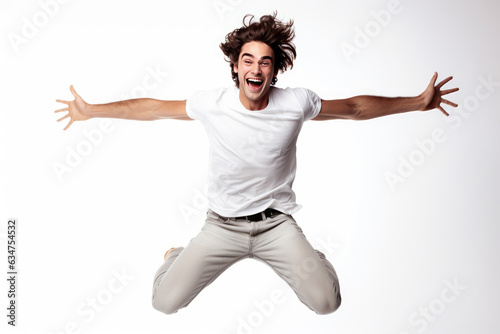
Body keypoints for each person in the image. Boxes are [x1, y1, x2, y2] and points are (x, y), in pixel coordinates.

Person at [54, 13, 458, 315]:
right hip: (222, 226)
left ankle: (309, 257)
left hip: (276, 224)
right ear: (235, 66)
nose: (256, 69)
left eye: (265, 62)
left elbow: (353, 108)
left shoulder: (296, 102)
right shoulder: (212, 104)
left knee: (326, 303)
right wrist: (92, 111)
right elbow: (153, 108)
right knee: (164, 302)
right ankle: (177, 255)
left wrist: (417, 102)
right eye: (248, 60)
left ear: (275, 70)